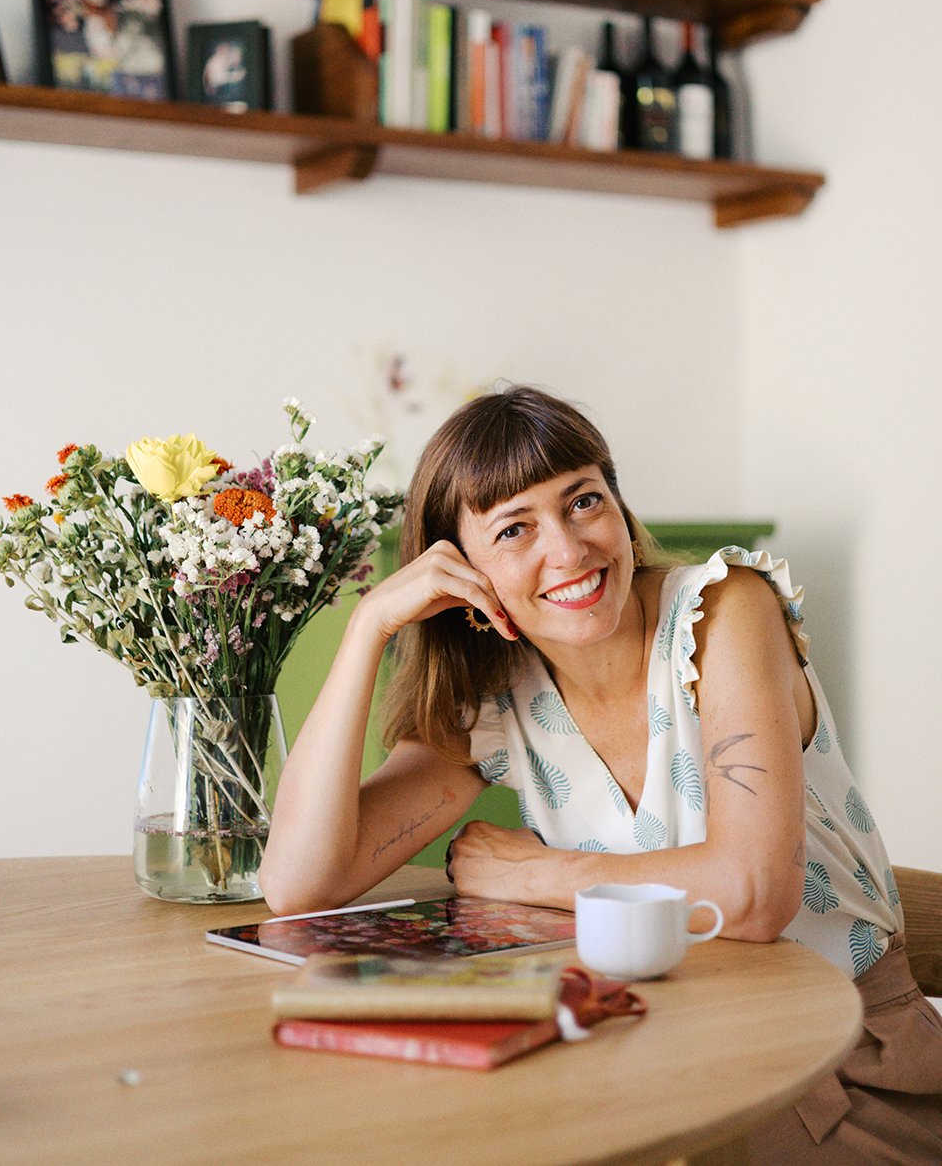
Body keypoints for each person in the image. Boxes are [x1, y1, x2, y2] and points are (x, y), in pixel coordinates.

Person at [260, 384, 942, 1162]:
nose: (570, 547)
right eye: (515, 528)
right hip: (654, 1059)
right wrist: (366, 628)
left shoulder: (724, 612)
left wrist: (532, 873)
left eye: (582, 501)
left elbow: (753, 893)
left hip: (841, 1064)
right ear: (459, 572)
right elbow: (298, 883)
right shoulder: (500, 701)